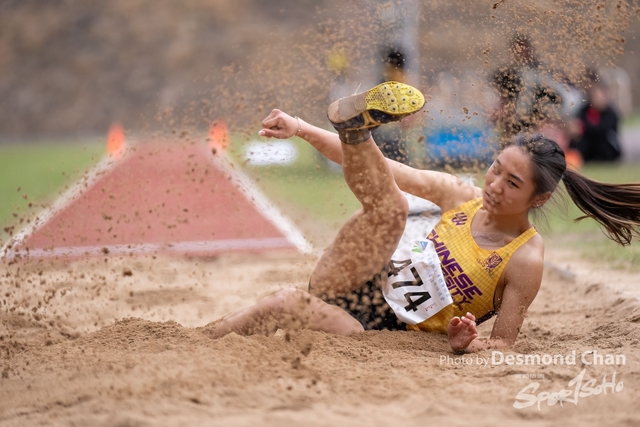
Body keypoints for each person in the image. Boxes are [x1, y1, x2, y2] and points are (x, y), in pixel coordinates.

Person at [204, 82, 640, 354]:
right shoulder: (462, 196)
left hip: (380, 330)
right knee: (391, 206)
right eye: (495, 169)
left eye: (512, 183)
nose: (493, 185)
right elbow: (384, 170)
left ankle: (201, 342)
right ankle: (354, 130)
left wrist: (466, 344)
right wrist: (300, 127)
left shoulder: (524, 260)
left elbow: (503, 345)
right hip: (361, 277)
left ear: (538, 199)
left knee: (284, 302)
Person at [570, 71, 622, 163]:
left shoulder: (610, 113)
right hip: (588, 152)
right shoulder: (584, 111)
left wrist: (583, 126)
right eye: (594, 95)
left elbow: (602, 129)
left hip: (607, 153)